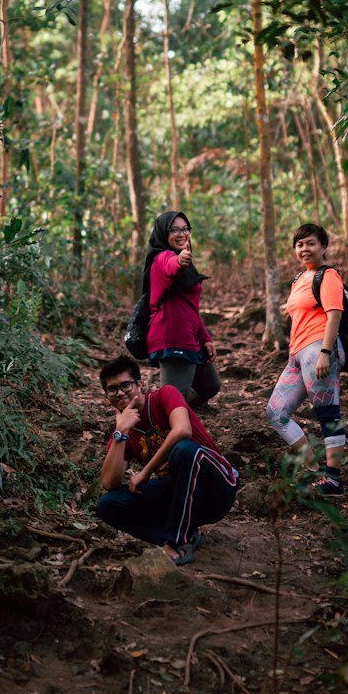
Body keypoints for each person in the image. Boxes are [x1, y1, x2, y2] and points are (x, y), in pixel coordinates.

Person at [95, 355, 238, 564]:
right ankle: (171, 540)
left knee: (184, 450)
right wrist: (120, 431)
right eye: (113, 389)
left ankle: (177, 540)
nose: (120, 393)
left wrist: (145, 472)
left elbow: (182, 430)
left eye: (126, 385)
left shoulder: (164, 396)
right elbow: (109, 482)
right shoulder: (125, 427)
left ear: (139, 384)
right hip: (180, 498)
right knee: (108, 505)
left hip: (217, 487)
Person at [265, 222, 346, 495]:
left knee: (327, 412)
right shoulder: (299, 279)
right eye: (300, 245)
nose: (305, 249)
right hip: (296, 354)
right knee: (276, 413)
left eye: (311, 243)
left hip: (317, 350)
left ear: (323, 247)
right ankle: (313, 469)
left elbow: (334, 314)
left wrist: (325, 352)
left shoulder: (328, 275)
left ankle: (333, 479)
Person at [142, 209, 220, 406]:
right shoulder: (161, 258)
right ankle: (166, 428)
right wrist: (179, 261)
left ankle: (182, 417)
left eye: (185, 229)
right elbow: (170, 265)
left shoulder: (187, 266)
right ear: (163, 233)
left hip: (190, 337)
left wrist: (205, 338)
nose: (182, 234)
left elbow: (190, 308)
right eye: (174, 230)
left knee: (210, 385)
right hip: (172, 338)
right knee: (174, 401)